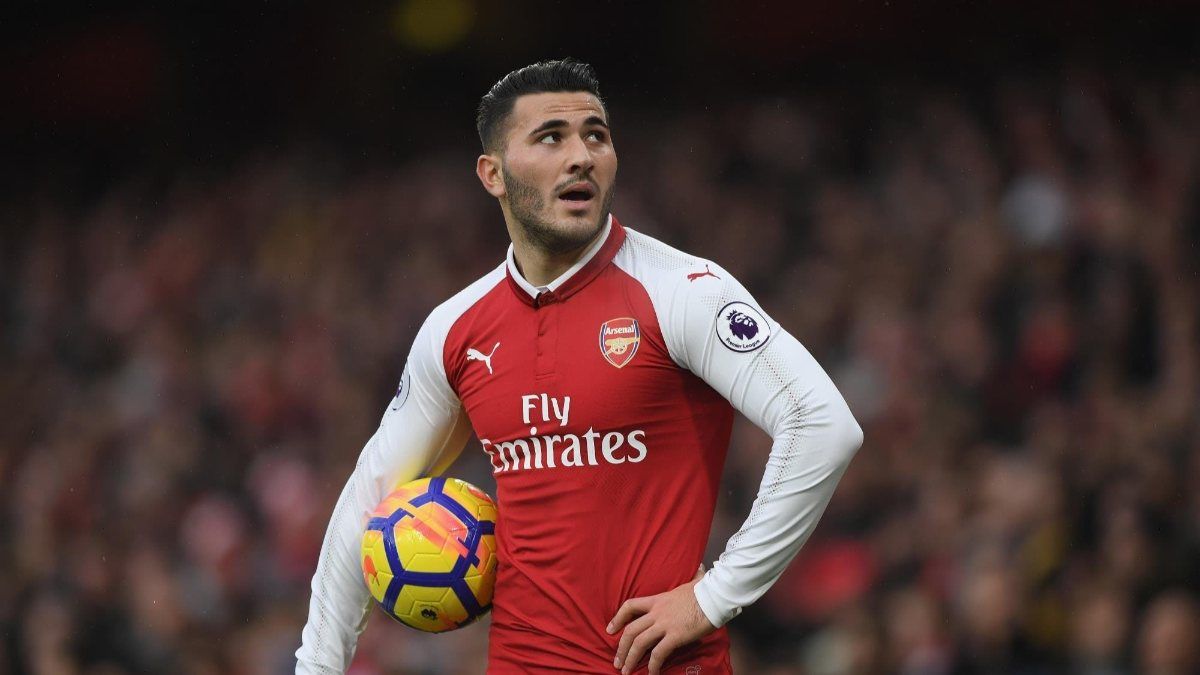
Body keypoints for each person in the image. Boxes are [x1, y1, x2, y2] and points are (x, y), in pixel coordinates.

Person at [296, 58, 863, 675]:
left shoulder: (682, 291)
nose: (582, 157)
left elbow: (822, 424)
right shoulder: (455, 330)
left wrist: (715, 595)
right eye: (551, 137)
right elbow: (368, 499)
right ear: (493, 174)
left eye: (596, 135)